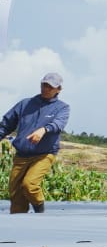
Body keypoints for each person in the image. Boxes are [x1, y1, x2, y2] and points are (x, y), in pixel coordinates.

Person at [1, 72, 70, 213]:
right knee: (15, 192)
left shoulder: (62, 108)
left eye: (50, 87)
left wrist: (44, 130)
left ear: (58, 89)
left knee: (29, 184)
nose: (46, 89)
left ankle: (40, 210)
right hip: (21, 155)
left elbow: (58, 124)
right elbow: (6, 124)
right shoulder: (25, 104)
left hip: (44, 155)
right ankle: (18, 221)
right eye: (44, 85)